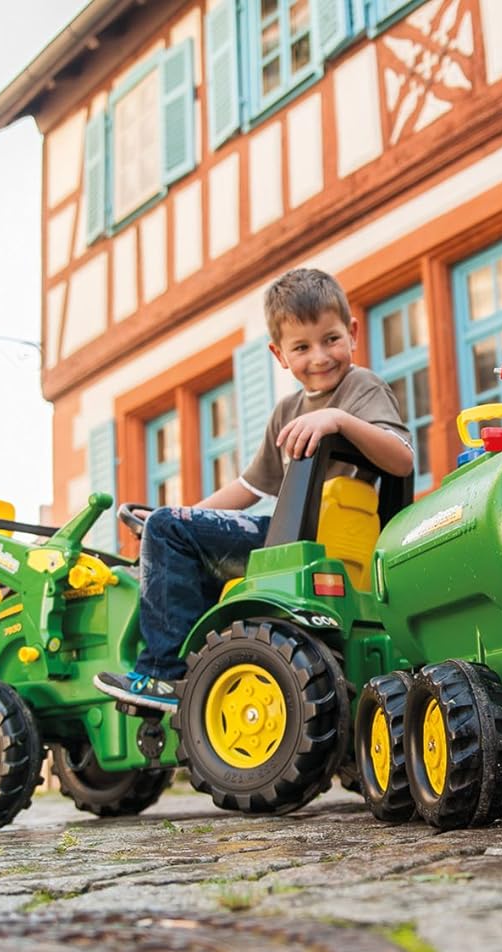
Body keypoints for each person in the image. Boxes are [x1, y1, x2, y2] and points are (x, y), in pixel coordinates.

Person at [94, 268, 414, 712]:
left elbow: (402, 458)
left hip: (311, 539)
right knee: (172, 530)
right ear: (279, 355)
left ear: (353, 333)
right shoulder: (287, 410)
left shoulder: (362, 388)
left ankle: (164, 674)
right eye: (302, 347)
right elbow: (248, 487)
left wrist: (338, 421)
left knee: (172, 530)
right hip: (290, 533)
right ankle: (208, 662)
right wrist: (181, 517)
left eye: (331, 339)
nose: (320, 357)